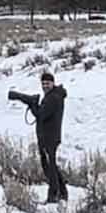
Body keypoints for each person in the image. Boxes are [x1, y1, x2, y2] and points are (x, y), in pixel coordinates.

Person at [9, 71, 69, 203]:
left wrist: (32, 105)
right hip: (48, 136)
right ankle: (62, 193)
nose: (45, 86)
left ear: (53, 83)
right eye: (43, 83)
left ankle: (54, 196)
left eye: (47, 83)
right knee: (51, 166)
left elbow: (41, 115)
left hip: (49, 137)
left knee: (49, 168)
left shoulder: (53, 98)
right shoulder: (53, 96)